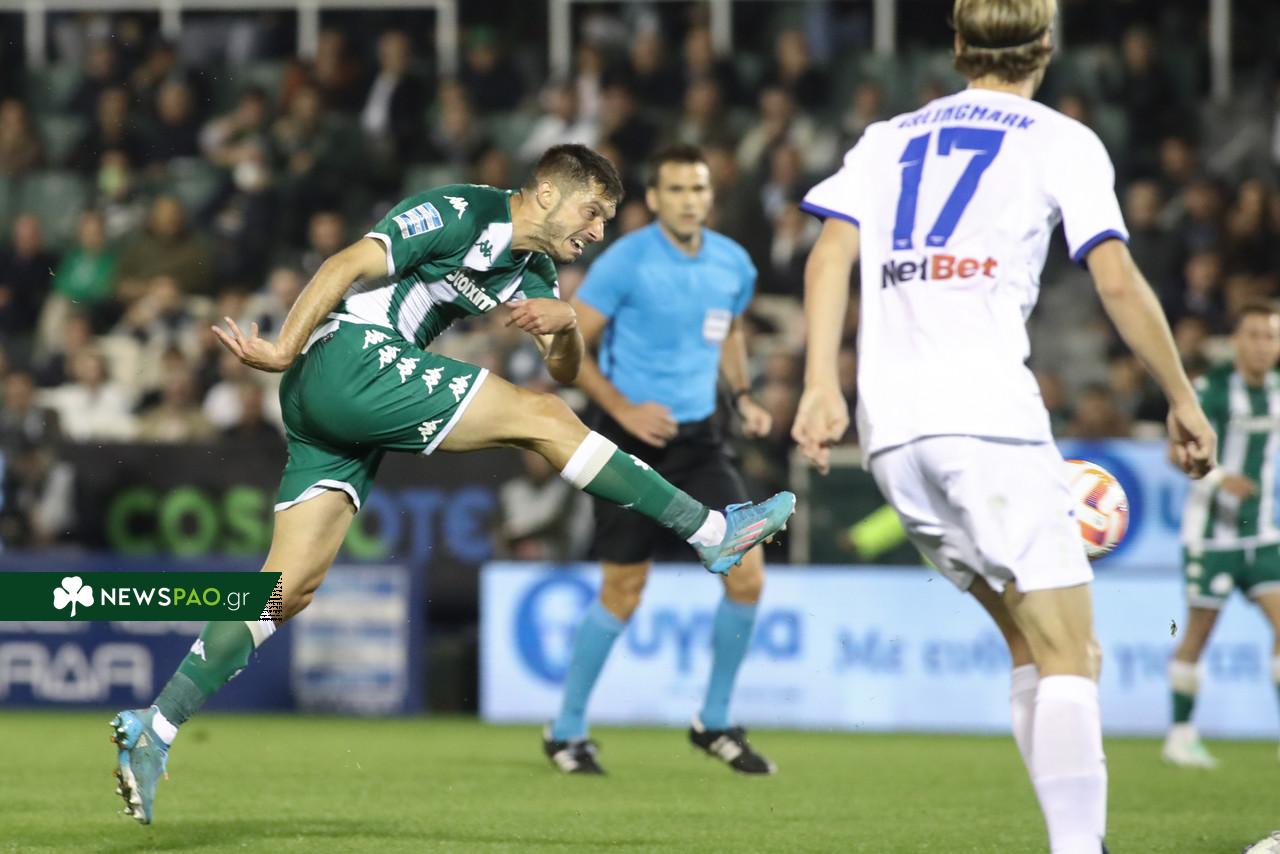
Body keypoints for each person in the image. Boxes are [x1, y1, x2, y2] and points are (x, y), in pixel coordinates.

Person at [109, 144, 795, 825]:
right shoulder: (461, 211)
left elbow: (562, 368)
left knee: (286, 590)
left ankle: (155, 726)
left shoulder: (534, 269)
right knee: (543, 419)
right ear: (548, 193)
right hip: (348, 358)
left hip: (336, 406)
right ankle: (711, 529)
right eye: (592, 213)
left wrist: (566, 329)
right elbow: (344, 263)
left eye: (606, 221)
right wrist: (283, 347)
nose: (597, 231)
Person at [790, 3, 1216, 853]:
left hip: (892, 432)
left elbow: (829, 254)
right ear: (1046, 47)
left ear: (956, 47)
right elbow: (1116, 278)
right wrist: (1180, 394)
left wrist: (818, 384)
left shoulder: (885, 139)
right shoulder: (1062, 138)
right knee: (1073, 655)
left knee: (1030, 644)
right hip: (984, 418)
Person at [544, 145, 776, 775]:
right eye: (675, 189)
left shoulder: (732, 263)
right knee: (623, 590)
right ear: (653, 198)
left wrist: (744, 396)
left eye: (698, 189)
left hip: (700, 442)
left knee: (748, 576)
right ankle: (565, 730)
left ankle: (715, 721)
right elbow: (569, 346)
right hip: (628, 446)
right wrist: (624, 410)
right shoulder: (625, 260)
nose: (688, 200)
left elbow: (728, 331)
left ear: (710, 196)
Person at [1165, 302, 1280, 768]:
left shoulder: (1277, 390)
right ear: (1235, 341)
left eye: (1270, 337)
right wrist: (1218, 479)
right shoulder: (1211, 390)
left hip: (1263, 534)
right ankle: (1180, 736)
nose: (1262, 345)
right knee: (1197, 633)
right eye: (1253, 335)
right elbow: (1175, 452)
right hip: (1210, 537)